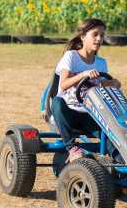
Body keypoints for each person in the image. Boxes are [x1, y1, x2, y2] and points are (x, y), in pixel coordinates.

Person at [51, 18, 122, 162]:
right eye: (95, 34)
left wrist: (113, 83)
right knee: (57, 102)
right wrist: (83, 74)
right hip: (68, 112)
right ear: (83, 37)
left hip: (90, 113)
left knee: (111, 135)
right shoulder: (71, 57)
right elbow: (63, 84)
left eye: (102, 35)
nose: (99, 39)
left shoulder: (101, 63)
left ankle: (126, 164)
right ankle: (72, 148)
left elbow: (100, 87)